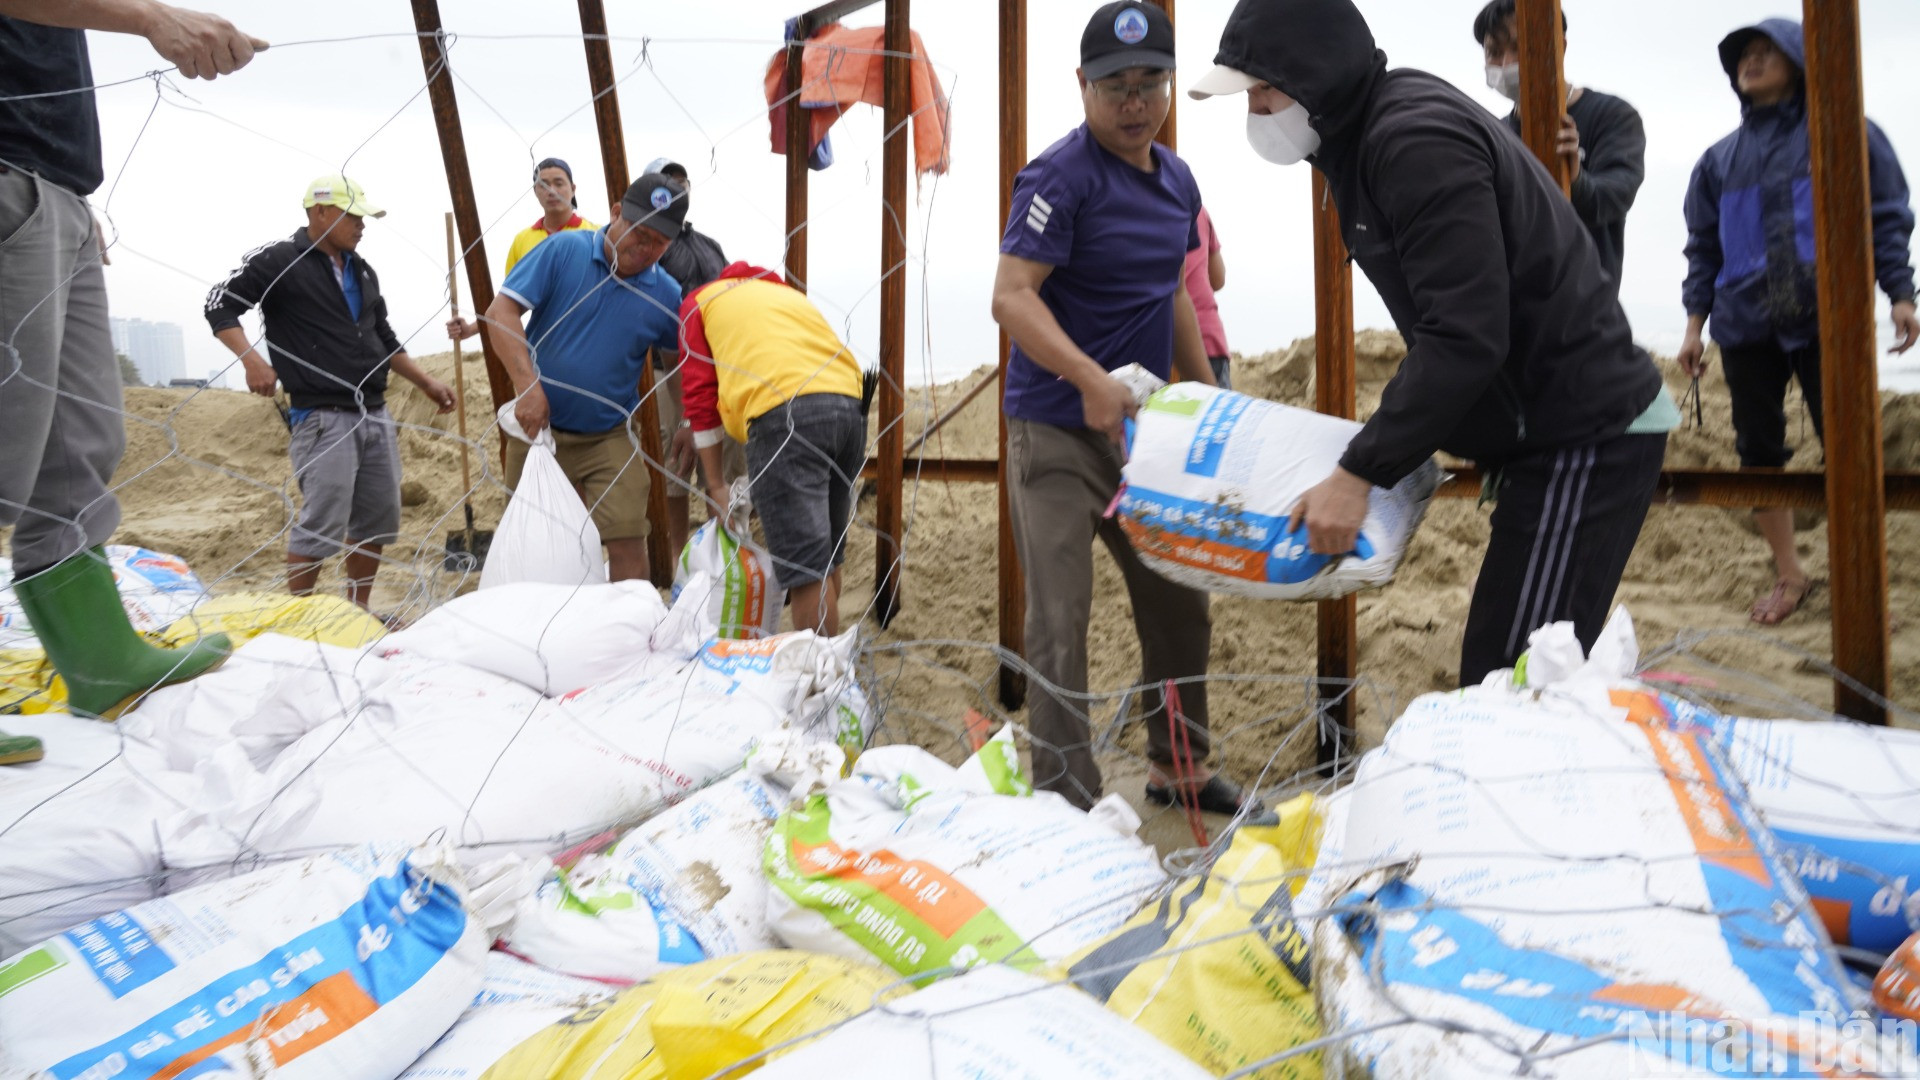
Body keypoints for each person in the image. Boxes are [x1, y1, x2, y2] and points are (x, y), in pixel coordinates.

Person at [1190, 0, 1673, 687]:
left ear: (1315, 77)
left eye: (1262, 90)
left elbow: (1467, 336)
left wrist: (1361, 472)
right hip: (1543, 432)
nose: (1255, 112)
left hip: (1582, 432)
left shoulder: (1413, 141)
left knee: (1516, 682)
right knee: (1508, 674)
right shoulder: (1362, 139)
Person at [991, 1, 1248, 815]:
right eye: (1114, 86)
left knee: (1180, 603)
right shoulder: (1058, 177)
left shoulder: (1176, 182)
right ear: (1082, 87)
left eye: (1150, 83)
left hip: (1145, 436)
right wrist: (1088, 380)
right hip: (1056, 431)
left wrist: (1203, 392)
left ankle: (1180, 768)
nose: (1134, 101)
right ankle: (1066, 799)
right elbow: (1012, 298)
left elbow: (1172, 286)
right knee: (1061, 619)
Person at [1, 0, 265, 743]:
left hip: (51, 189)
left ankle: (99, 658)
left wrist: (65, 201)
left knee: (79, 441)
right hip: (8, 181)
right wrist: (148, 18)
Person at [1677, 18, 1916, 626]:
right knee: (1759, 453)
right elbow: (1703, 248)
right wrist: (1692, 326)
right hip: (1744, 323)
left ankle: (1860, 578)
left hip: (1827, 318)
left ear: (1798, 59)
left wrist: (1900, 295)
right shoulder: (1716, 161)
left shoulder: (1845, 131)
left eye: (1766, 52)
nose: (1751, 62)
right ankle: (1790, 575)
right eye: (1743, 56)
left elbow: (1885, 216)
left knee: (1849, 447)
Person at [208, 176, 456, 611]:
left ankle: (357, 611)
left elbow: (383, 336)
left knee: (378, 518)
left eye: (363, 218)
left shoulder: (361, 269)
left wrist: (426, 382)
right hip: (323, 416)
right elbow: (219, 303)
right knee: (322, 522)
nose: (361, 226)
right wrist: (251, 360)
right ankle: (301, 615)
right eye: (352, 216)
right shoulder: (279, 260)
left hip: (375, 412)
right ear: (320, 212)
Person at [480, 173, 686, 583]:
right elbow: (500, 313)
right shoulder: (563, 249)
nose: (644, 249)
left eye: (658, 243)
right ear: (615, 214)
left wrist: (686, 418)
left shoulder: (665, 293)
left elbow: (676, 359)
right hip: (540, 432)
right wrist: (528, 386)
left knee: (628, 538)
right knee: (534, 541)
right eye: (638, 233)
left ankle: (624, 637)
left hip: (608, 435)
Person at [676, 262, 865, 636]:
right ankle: (828, 658)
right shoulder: (787, 297)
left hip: (783, 415)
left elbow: (699, 398)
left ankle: (817, 681)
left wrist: (715, 483)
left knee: (805, 570)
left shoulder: (700, 301)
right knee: (826, 558)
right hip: (850, 407)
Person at [1473, 0, 1645, 294]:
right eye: (1494, 53)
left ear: (1558, 46)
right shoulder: (1493, 133)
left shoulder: (1612, 115)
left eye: (1517, 47)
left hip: (1586, 306)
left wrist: (1574, 178)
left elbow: (1614, 198)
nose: (1505, 64)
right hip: (1513, 313)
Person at [640, 155, 744, 557]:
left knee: (724, 465)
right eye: (669, 181)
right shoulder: (649, 244)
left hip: (716, 367)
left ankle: (724, 553)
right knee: (675, 467)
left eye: (683, 181)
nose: (679, 187)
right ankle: (679, 554)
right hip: (665, 370)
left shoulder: (708, 244)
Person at [446, 157, 594, 342]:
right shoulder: (523, 240)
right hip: (544, 342)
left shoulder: (595, 235)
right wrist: (470, 329)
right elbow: (510, 300)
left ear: (572, 189)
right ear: (535, 191)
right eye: (543, 185)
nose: (551, 191)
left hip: (592, 335)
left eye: (559, 183)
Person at [1183, 204, 1231, 387]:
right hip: (1208, 337)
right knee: (1216, 412)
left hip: (1164, 340)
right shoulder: (1198, 211)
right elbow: (1218, 278)